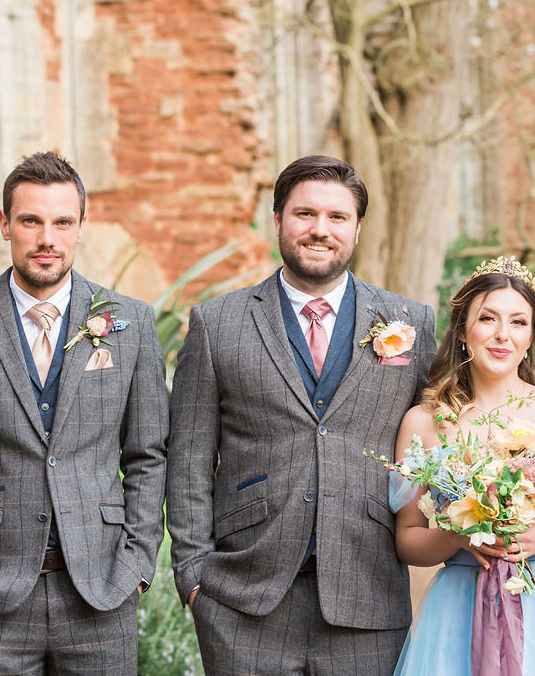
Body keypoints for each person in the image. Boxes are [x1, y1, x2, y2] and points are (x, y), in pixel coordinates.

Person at [167, 154, 437, 674]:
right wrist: (194, 578)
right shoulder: (216, 324)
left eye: (337, 217)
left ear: (357, 228)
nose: (320, 230)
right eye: (304, 214)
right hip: (244, 600)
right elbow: (189, 462)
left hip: (367, 597)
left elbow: (438, 440)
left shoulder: (410, 323)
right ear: (277, 221)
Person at [0, 151, 169, 674]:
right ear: (5, 224)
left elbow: (149, 455)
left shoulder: (131, 323)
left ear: (80, 228)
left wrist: (137, 567)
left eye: (61, 222)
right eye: (31, 220)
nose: (46, 238)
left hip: (102, 593)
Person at [391, 256, 535, 675]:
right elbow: (407, 539)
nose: (502, 335)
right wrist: (458, 537)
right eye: (488, 319)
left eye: (518, 322)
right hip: (460, 604)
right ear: (462, 331)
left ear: (531, 336)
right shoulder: (424, 421)